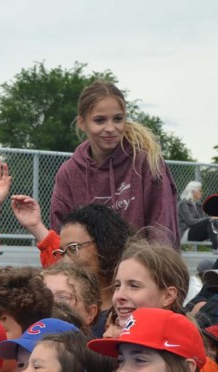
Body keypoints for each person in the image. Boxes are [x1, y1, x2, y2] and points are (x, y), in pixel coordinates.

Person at [50, 80, 179, 247]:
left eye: (118, 119)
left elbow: (162, 232)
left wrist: (143, 271)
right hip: (87, 271)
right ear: (82, 123)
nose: (110, 128)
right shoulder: (69, 172)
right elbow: (61, 237)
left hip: (141, 268)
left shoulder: (146, 162)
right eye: (100, 120)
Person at [14, 201, 134, 336]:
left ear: (105, 245)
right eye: (62, 251)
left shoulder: (126, 312)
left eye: (73, 248)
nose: (65, 260)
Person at [178, 180, 217, 247]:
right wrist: (209, 218)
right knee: (209, 221)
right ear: (193, 191)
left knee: (214, 222)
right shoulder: (183, 204)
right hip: (185, 233)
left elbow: (203, 222)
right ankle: (216, 247)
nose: (202, 193)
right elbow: (190, 221)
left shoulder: (199, 205)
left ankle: (214, 245)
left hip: (195, 232)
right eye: (200, 191)